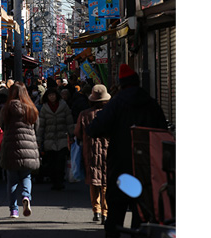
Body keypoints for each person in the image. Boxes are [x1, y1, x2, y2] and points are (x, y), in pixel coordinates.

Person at [87, 64, 168, 238]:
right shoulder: (151, 102)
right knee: (142, 212)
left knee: (116, 211)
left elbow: (94, 129)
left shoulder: (116, 103)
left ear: (121, 83)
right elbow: (163, 132)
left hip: (121, 167)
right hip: (146, 168)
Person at [0, 82, 40, 218]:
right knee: (26, 176)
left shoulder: (6, 108)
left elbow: (1, 124)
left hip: (11, 146)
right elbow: (36, 126)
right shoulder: (31, 108)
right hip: (28, 147)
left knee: (12, 180)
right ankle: (26, 196)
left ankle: (13, 210)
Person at [74, 84, 111, 224]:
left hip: (89, 151)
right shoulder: (110, 113)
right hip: (108, 150)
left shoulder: (84, 114)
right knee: (105, 183)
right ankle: (106, 212)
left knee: (93, 181)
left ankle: (96, 211)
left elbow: (77, 133)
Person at [37, 87, 75, 190]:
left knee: (60, 161)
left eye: (53, 95)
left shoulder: (63, 106)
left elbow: (69, 121)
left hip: (62, 137)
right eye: (50, 95)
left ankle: (59, 181)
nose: (52, 97)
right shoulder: (45, 108)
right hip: (49, 139)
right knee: (52, 162)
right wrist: (39, 140)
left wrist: (72, 135)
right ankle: (55, 181)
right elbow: (41, 126)